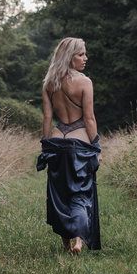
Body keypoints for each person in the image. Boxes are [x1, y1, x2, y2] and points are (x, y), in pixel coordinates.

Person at [36, 37, 101, 254]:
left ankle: (65, 243)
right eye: (80, 54)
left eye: (84, 54)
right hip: (79, 140)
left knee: (59, 194)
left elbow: (47, 118)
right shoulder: (85, 82)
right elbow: (89, 119)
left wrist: (46, 148)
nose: (85, 58)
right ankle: (79, 241)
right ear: (69, 57)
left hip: (56, 140)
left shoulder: (49, 83)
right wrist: (96, 147)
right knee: (80, 193)